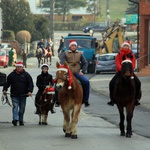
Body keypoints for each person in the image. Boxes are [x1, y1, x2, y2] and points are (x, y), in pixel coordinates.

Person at [55, 39, 90, 107]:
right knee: (56, 83)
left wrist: (82, 71)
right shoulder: (65, 53)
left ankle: (86, 100)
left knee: (86, 82)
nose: (73, 47)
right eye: (72, 45)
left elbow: (85, 63)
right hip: (67, 73)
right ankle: (57, 100)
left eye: (75, 45)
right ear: (70, 46)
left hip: (77, 73)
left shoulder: (79, 54)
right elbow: (63, 63)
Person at [108, 41, 141, 106]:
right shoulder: (119, 55)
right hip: (120, 73)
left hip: (130, 73)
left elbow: (133, 64)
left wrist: (129, 71)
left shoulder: (132, 55)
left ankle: (136, 99)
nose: (126, 47)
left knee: (138, 83)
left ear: (129, 47)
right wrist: (123, 71)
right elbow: (118, 64)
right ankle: (112, 99)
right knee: (111, 83)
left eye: (127, 46)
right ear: (122, 47)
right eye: (124, 46)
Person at [3, 61, 34, 126]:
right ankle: (15, 119)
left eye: (20, 67)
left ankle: (21, 120)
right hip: (14, 94)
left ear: (22, 67)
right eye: (18, 67)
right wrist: (5, 89)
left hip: (23, 95)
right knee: (15, 106)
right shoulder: (11, 75)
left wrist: (30, 91)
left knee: (22, 108)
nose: (19, 68)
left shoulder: (26, 75)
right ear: (16, 67)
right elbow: (7, 83)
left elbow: (30, 83)